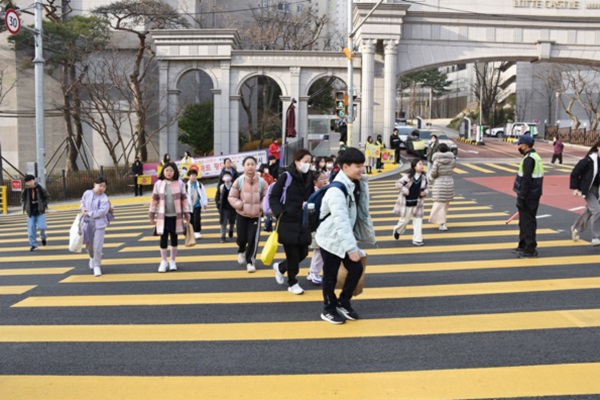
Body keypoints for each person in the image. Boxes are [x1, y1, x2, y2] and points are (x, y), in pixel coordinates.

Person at [316, 147, 376, 324]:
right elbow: (340, 221)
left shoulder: (356, 184)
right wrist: (351, 249)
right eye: (357, 166)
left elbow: (361, 212)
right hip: (330, 239)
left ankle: (343, 301)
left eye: (362, 165)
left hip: (343, 236)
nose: (361, 169)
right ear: (345, 167)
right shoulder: (336, 191)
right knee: (330, 275)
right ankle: (328, 308)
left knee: (356, 269)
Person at [270, 149, 315, 295]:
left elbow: (312, 196)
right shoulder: (286, 176)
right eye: (305, 162)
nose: (307, 165)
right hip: (287, 221)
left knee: (303, 252)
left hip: (302, 221)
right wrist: (280, 213)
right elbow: (274, 196)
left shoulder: (309, 177)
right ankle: (292, 282)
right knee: (292, 254)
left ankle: (281, 268)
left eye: (309, 162)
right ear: (296, 161)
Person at [228, 156, 268, 273]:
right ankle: (241, 250)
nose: (250, 166)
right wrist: (240, 205)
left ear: (256, 166)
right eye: (248, 164)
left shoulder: (262, 182)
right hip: (242, 214)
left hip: (255, 215)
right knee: (241, 238)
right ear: (244, 166)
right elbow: (231, 196)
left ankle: (251, 261)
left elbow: (266, 196)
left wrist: (261, 206)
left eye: (252, 164)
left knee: (253, 239)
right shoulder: (239, 180)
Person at [149, 161, 191, 273]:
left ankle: (172, 261)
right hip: (163, 216)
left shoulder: (180, 183)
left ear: (175, 172)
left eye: (171, 170)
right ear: (163, 171)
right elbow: (154, 200)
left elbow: (184, 199)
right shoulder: (158, 184)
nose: (169, 172)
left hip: (176, 216)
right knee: (163, 238)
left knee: (174, 238)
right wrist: (152, 214)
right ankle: (163, 261)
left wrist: (187, 213)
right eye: (166, 170)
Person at [513, 134, 544, 258]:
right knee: (524, 222)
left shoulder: (529, 159)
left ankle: (530, 249)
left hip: (529, 195)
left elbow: (527, 180)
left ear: (525, 146)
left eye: (519, 145)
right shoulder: (534, 157)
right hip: (533, 194)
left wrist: (521, 197)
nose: (518, 147)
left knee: (528, 222)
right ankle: (523, 245)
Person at [81, 176, 113, 277]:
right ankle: (91, 257)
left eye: (104, 186)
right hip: (87, 223)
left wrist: (90, 213)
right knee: (88, 245)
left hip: (99, 224)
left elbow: (103, 211)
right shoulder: (87, 193)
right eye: (100, 186)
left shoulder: (104, 197)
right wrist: (83, 209)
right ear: (95, 184)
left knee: (97, 246)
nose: (102, 188)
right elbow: (82, 202)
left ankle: (97, 265)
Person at [569, 141, 600, 246]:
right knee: (597, 210)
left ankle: (576, 227)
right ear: (598, 148)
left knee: (589, 211)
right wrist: (576, 188)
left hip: (598, 189)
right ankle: (596, 237)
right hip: (588, 189)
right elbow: (575, 173)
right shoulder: (588, 161)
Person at [392, 158, 428, 246]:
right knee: (405, 220)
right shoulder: (408, 176)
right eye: (419, 164)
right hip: (407, 202)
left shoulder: (424, 178)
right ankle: (397, 230)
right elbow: (398, 184)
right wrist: (406, 191)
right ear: (414, 166)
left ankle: (417, 239)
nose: (422, 166)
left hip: (418, 202)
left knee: (418, 221)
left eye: (422, 164)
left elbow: (427, 188)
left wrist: (425, 192)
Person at [306, 170, 329, 285]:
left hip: (321, 226)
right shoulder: (316, 194)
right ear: (315, 182)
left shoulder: (324, 192)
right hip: (317, 227)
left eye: (326, 178)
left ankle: (312, 272)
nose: (325, 180)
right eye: (321, 179)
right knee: (319, 250)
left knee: (319, 250)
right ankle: (314, 272)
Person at [428, 144, 456, 231]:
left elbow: (433, 173)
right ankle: (442, 222)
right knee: (445, 204)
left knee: (439, 203)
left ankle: (442, 223)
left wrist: (431, 178)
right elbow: (453, 168)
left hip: (439, 183)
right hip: (449, 183)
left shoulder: (436, 161)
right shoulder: (452, 160)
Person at [20, 174, 50, 252]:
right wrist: (25, 206)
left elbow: (47, 197)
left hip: (40, 210)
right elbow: (22, 199)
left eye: (30, 181)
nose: (29, 183)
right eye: (27, 182)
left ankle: (43, 237)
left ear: (34, 180)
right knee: (31, 229)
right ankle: (34, 245)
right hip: (30, 211)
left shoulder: (40, 189)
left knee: (42, 227)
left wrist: (44, 204)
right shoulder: (25, 190)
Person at [186, 169, 208, 240]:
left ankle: (197, 232)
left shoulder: (199, 185)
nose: (194, 177)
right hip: (189, 206)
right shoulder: (186, 186)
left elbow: (204, 194)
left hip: (197, 204)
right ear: (189, 177)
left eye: (195, 176)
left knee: (197, 219)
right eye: (192, 175)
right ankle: (192, 232)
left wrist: (205, 203)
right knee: (191, 219)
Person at [215, 171, 236, 243]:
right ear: (223, 178)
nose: (227, 177)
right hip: (224, 208)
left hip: (233, 208)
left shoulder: (234, 186)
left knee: (232, 221)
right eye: (225, 176)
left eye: (228, 175)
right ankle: (222, 237)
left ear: (231, 177)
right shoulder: (221, 187)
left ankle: (231, 230)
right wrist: (218, 205)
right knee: (223, 223)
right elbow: (217, 197)